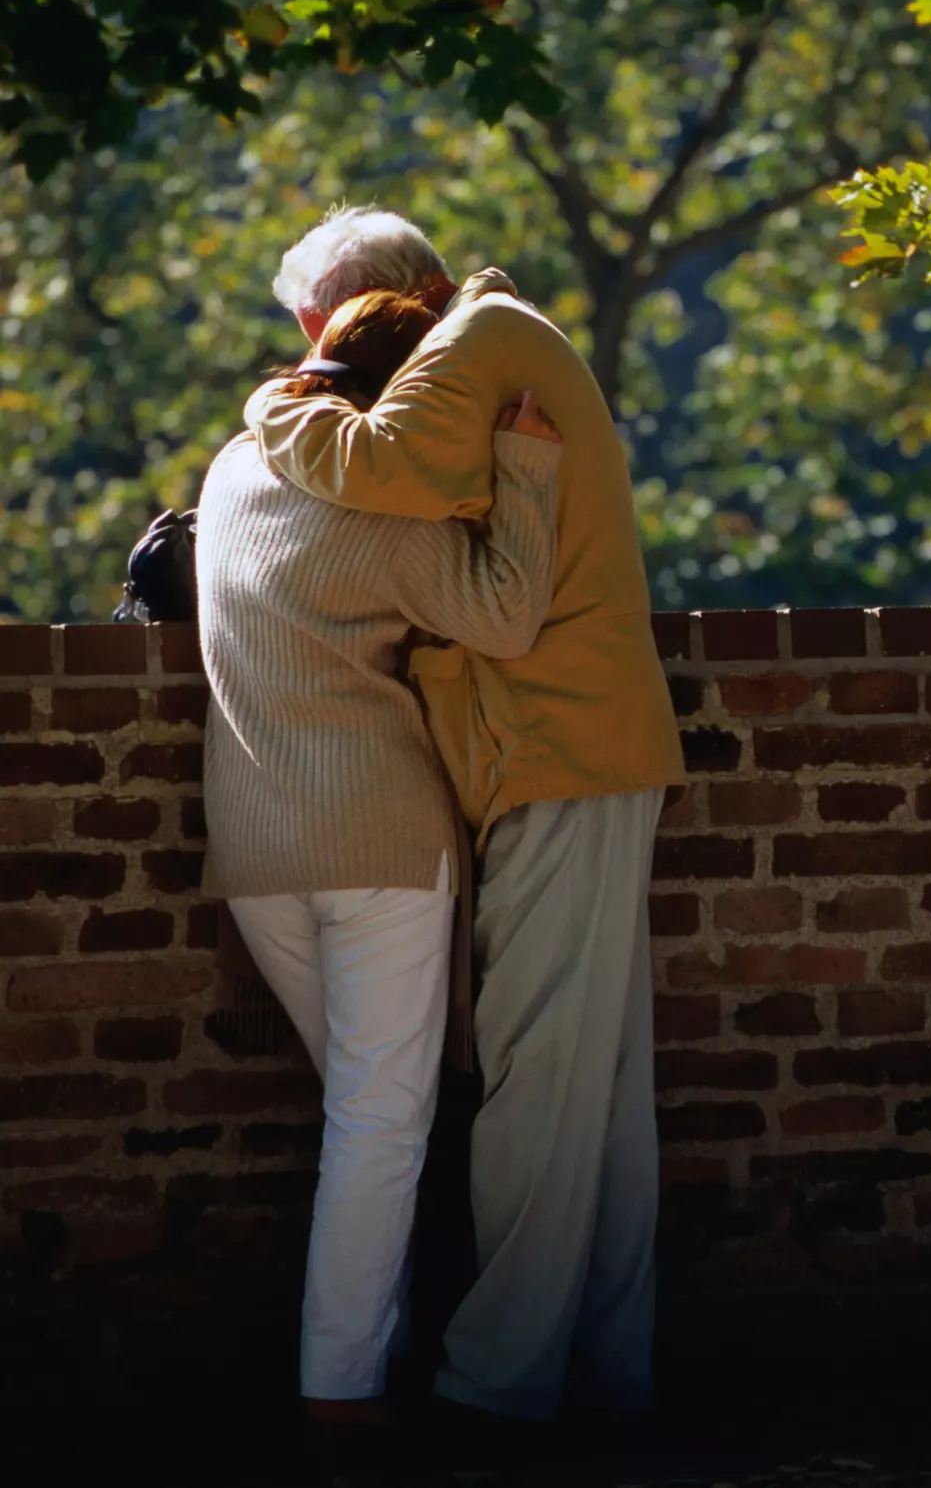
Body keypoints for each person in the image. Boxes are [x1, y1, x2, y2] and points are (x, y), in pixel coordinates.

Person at [243, 205, 686, 1429]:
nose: (329, 366)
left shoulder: (475, 338)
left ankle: (500, 1386)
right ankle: (610, 1369)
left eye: (326, 340)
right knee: (596, 1094)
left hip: (559, 752)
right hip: (571, 751)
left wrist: (277, 403)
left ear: (391, 307)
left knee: (539, 1091)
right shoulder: (489, 339)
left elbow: (381, 469)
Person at [196, 287, 563, 1457]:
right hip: (381, 842)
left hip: (255, 849)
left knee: (357, 1112)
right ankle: (342, 1390)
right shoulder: (382, 506)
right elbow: (506, 615)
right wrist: (528, 472)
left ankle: (373, 1351)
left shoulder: (229, 474)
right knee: (380, 1124)